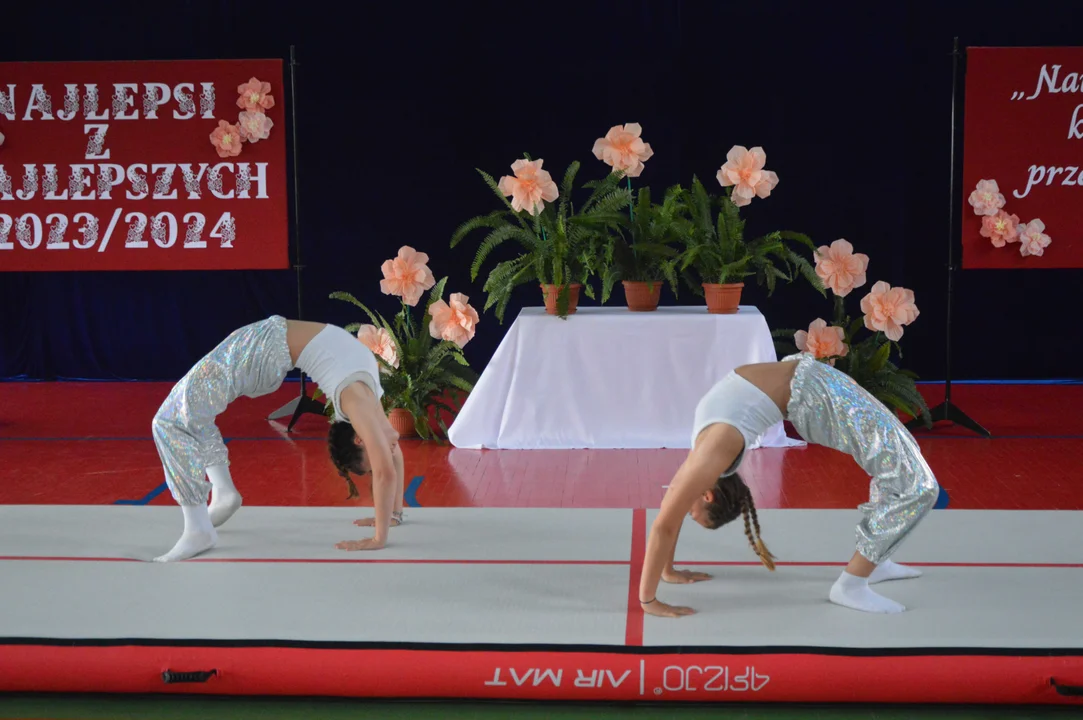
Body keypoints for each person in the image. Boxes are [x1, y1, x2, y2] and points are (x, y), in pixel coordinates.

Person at [639, 352, 939, 617]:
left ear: (707, 495)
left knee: (917, 484)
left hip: (816, 391)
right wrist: (667, 571)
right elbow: (671, 516)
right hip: (813, 383)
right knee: (908, 471)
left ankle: (860, 577)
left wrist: (648, 601)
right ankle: (866, 570)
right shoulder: (707, 450)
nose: (685, 513)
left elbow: (664, 525)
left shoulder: (714, 449)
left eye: (694, 516)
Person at [150, 316, 404, 562]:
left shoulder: (367, 395)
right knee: (182, 417)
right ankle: (221, 495)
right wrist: (381, 535)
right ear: (361, 440)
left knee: (170, 420)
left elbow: (390, 462)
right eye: (375, 451)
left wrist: (391, 517)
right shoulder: (357, 403)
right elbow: (386, 472)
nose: (383, 449)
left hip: (264, 347)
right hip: (262, 347)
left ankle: (198, 528)